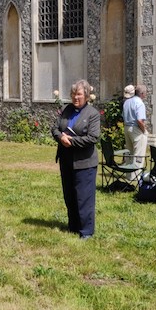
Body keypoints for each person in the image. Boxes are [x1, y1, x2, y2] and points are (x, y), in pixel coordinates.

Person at [51, 79, 101, 239]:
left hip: (84, 162)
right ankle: (73, 226)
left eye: (78, 94)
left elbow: (93, 137)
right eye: (73, 94)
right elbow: (55, 128)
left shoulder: (92, 114)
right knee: (70, 195)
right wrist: (60, 138)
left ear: (86, 95)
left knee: (84, 197)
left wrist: (71, 141)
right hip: (66, 161)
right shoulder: (66, 110)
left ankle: (86, 231)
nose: (75, 97)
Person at [122, 84, 149, 178]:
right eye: (145, 93)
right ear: (142, 93)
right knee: (138, 155)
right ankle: (136, 177)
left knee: (130, 152)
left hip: (126, 128)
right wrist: (144, 131)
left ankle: (128, 175)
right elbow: (139, 120)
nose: (146, 94)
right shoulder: (139, 103)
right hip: (136, 129)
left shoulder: (127, 102)